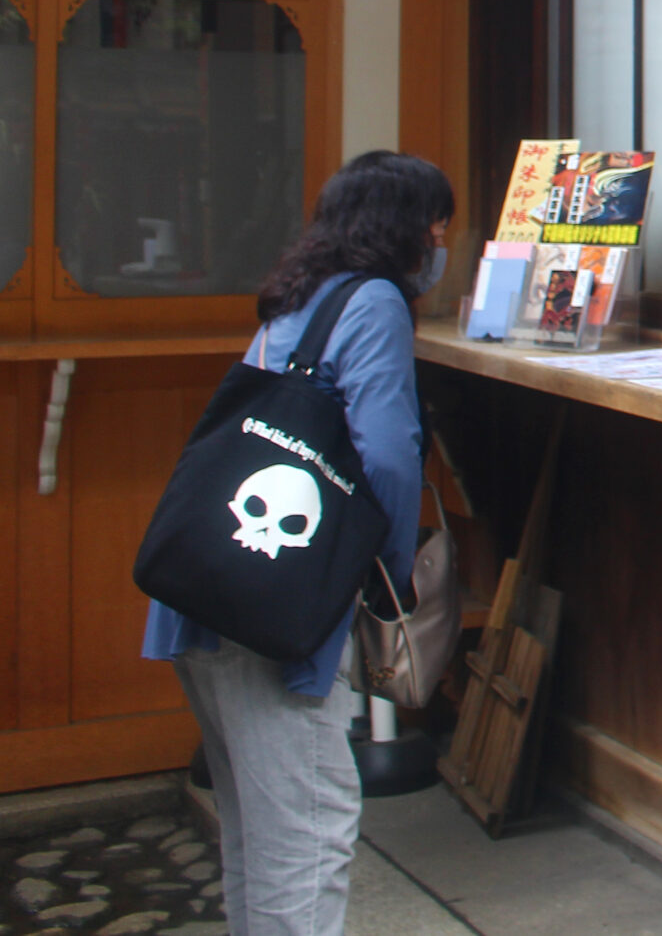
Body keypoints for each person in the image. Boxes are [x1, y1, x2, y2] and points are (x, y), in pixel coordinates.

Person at [143, 150, 454, 936]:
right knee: (309, 829)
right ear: (406, 228)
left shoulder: (297, 296)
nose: (442, 240)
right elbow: (386, 452)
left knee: (256, 825)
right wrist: (386, 573)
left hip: (206, 594)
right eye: (438, 223)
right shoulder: (377, 300)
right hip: (279, 615)